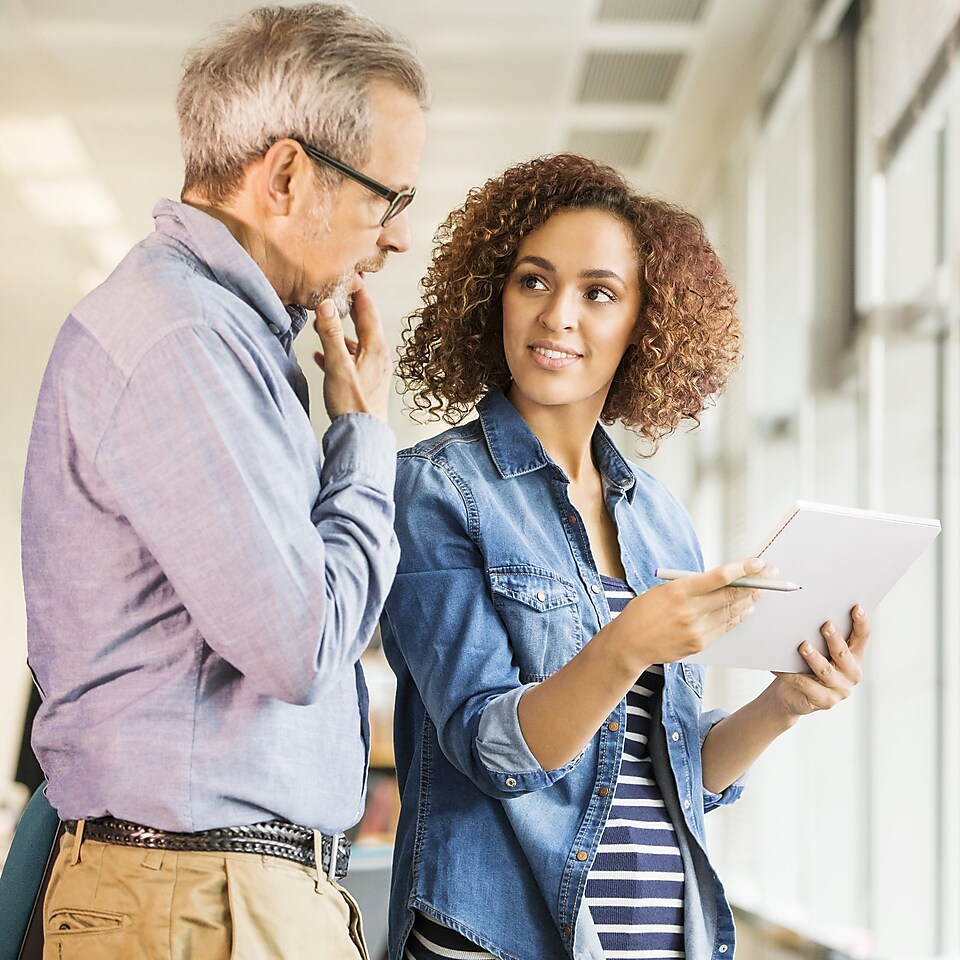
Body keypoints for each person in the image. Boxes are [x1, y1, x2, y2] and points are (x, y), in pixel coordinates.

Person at [379, 153, 869, 960]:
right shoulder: (435, 491)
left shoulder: (660, 518)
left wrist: (783, 705)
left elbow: (670, 768)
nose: (556, 315)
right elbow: (493, 750)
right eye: (532, 281)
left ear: (644, 323)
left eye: (598, 293)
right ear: (492, 295)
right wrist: (627, 643)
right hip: (499, 939)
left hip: (659, 936)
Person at [20, 5, 428, 958]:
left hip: (208, 893)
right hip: (197, 901)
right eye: (388, 200)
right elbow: (301, 644)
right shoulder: (184, 341)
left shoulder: (223, 343)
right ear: (285, 176)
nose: (396, 239)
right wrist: (362, 437)